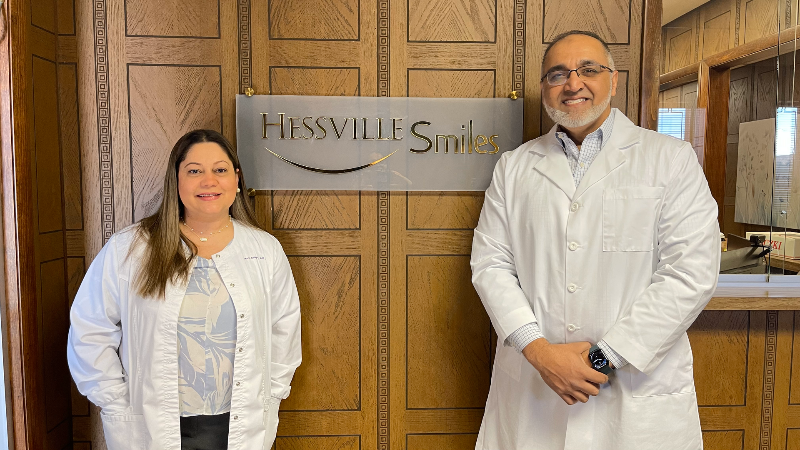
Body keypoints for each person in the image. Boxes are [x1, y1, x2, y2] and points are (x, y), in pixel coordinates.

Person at [471, 30, 720, 450]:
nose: (573, 83)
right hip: (537, 390)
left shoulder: (670, 160)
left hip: (635, 394)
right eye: (558, 74)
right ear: (544, 88)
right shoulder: (513, 168)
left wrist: (602, 359)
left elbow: (691, 274)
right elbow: (491, 265)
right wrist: (539, 351)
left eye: (589, 70)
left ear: (614, 79)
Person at [67, 129, 302, 450]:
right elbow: (90, 329)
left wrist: (272, 394)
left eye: (220, 170)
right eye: (194, 171)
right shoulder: (130, 248)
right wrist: (115, 400)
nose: (209, 181)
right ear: (175, 181)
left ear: (236, 178)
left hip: (239, 424)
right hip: (150, 425)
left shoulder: (264, 250)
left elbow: (284, 332)